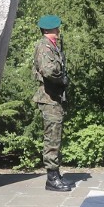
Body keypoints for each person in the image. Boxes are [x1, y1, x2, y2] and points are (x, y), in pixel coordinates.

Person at [32, 14, 74, 192]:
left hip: (55, 98)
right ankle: (52, 179)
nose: (59, 30)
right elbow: (48, 70)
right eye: (57, 28)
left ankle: (55, 174)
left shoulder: (53, 46)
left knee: (56, 137)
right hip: (49, 99)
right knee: (52, 138)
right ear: (51, 30)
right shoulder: (44, 47)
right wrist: (61, 79)